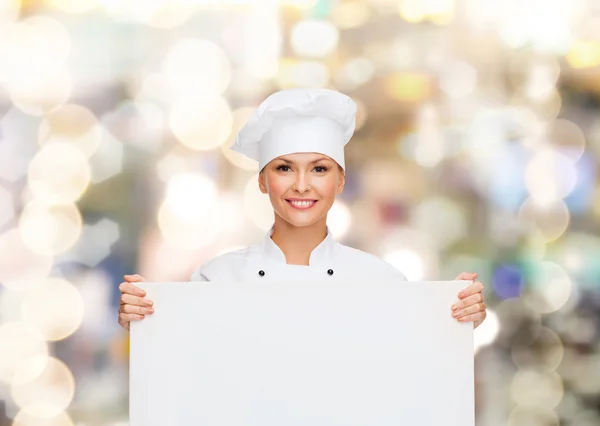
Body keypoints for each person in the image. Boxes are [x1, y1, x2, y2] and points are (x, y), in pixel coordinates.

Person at [118, 88, 487, 332]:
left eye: (319, 169)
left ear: (339, 182)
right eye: (283, 168)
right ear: (262, 181)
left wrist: (457, 317)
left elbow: (414, 368)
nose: (301, 185)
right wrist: (144, 316)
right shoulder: (217, 280)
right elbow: (184, 372)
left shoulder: (381, 281)